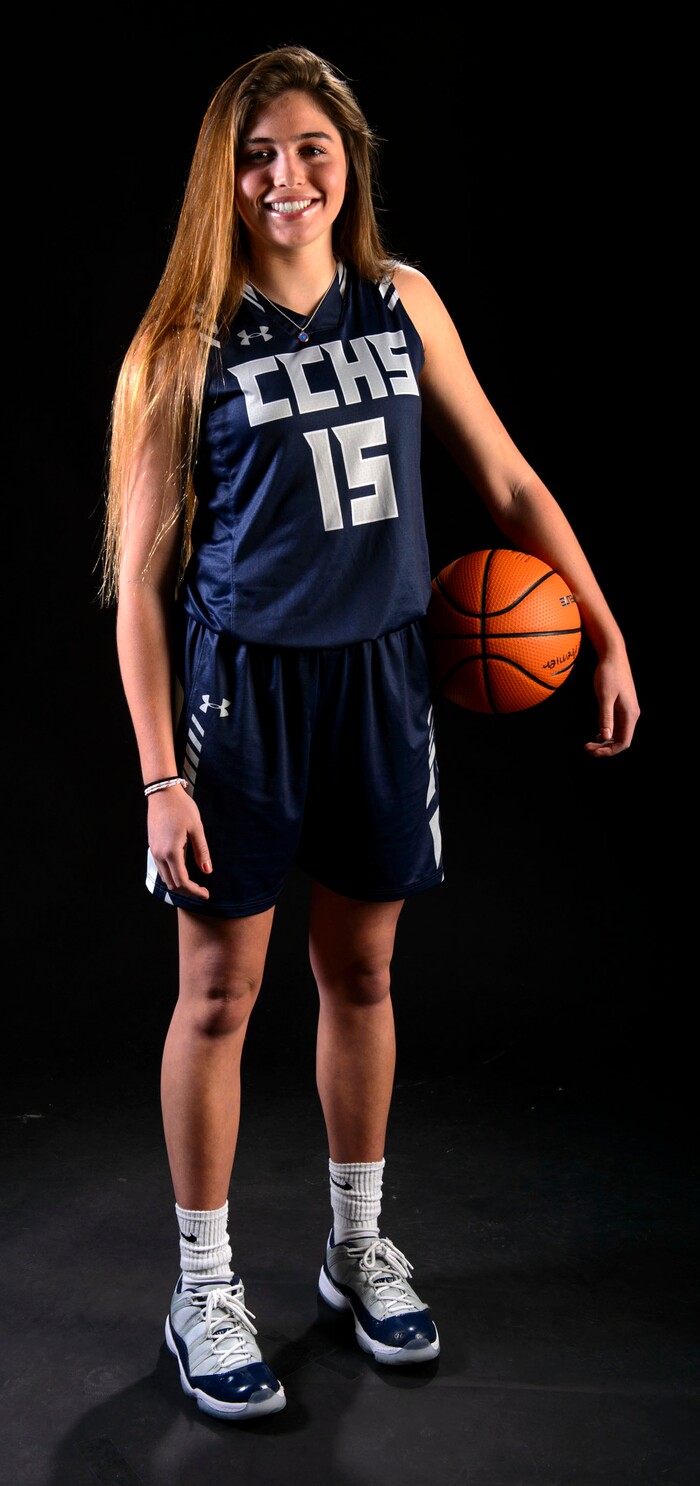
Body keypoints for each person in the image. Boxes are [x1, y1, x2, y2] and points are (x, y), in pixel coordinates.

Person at [101, 44, 640, 1423]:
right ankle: (205, 1281)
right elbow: (143, 595)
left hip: (384, 686)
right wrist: (163, 774)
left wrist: (602, 624)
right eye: (259, 152)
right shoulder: (181, 345)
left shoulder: (404, 303)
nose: (287, 175)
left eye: (311, 147)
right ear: (224, 176)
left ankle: (353, 1246)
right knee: (219, 994)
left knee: (367, 975)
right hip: (244, 698)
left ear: (351, 164)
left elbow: (507, 476)